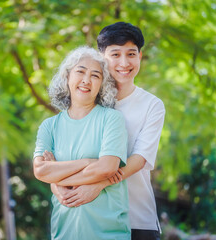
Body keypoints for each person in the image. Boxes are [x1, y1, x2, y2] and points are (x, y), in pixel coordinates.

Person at [51, 22, 166, 240]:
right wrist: (56, 186)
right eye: (115, 54)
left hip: (136, 218)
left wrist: (98, 185)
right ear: (102, 57)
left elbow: (140, 158)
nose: (124, 62)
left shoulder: (152, 105)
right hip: (90, 216)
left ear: (140, 57)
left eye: (131, 54)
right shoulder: (85, 102)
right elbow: (61, 159)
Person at [33, 46, 131, 240]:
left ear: (102, 85)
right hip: (64, 233)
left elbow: (107, 168)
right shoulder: (49, 126)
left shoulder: (111, 119)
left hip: (109, 234)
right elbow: (41, 171)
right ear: (67, 77)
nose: (86, 80)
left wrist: (57, 179)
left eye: (95, 75)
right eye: (80, 71)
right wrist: (87, 162)